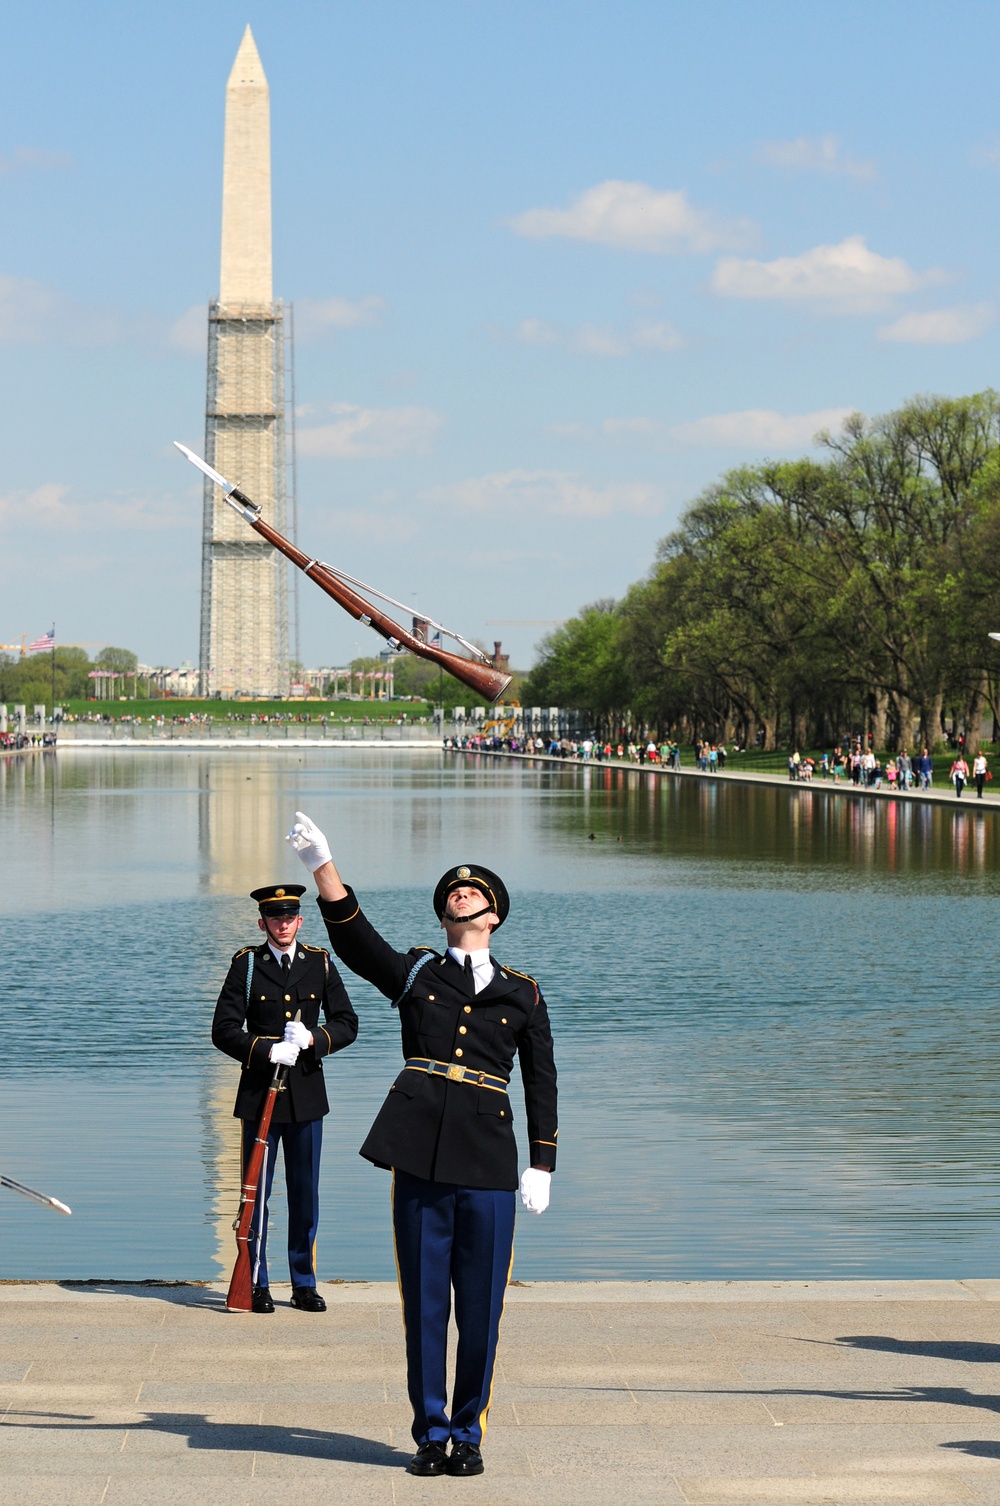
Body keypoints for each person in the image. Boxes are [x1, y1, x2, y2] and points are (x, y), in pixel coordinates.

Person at [286, 812, 557, 1480]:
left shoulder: (522, 993)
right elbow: (357, 943)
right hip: (421, 1157)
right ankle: (431, 1434)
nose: (460, 896)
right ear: (443, 919)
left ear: (494, 916)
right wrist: (325, 866)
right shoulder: (416, 975)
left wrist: (543, 1161)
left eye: (472, 893)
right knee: (426, 1306)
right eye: (451, 895)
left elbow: (542, 1078)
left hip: (490, 1163)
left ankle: (470, 1432)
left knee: (482, 1309)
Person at [212, 884, 359, 1314]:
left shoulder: (320, 963)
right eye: (274, 918)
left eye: (289, 917)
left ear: (300, 920)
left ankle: (303, 1283)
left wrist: (315, 1038)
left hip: (307, 1097)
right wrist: (264, 1049)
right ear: (263, 923)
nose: (283, 924)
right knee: (256, 1193)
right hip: (260, 1096)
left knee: (305, 1194)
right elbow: (223, 1030)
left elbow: (348, 1023)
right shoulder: (248, 966)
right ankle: (255, 1281)